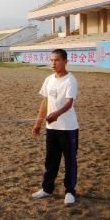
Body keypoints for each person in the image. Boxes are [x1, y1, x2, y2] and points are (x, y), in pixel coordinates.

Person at [31, 48, 79, 205]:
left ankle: (70, 191)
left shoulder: (70, 80)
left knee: (70, 160)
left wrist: (56, 114)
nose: (53, 63)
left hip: (68, 128)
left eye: (57, 60)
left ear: (65, 61)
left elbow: (69, 103)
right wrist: (38, 123)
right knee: (51, 160)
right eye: (51, 60)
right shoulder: (49, 79)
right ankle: (47, 188)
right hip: (51, 128)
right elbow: (45, 102)